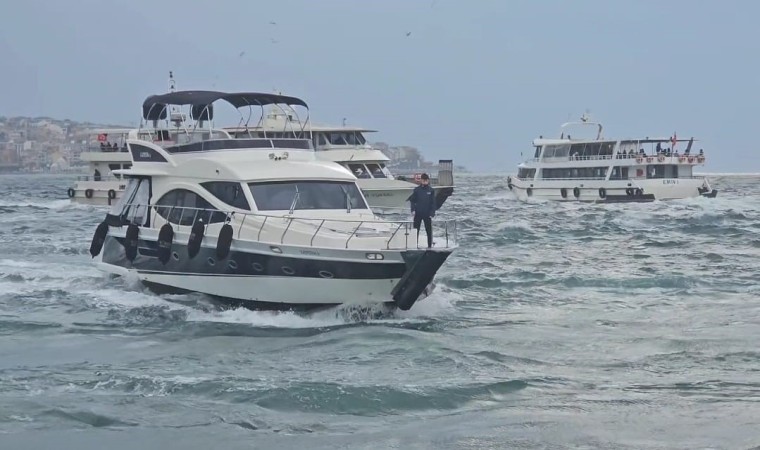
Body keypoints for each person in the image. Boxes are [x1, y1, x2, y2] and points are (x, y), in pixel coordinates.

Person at [409, 173, 436, 248]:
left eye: (426, 180)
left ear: (428, 180)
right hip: (418, 213)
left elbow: (433, 203)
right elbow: (412, 201)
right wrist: (413, 210)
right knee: (416, 230)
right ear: (421, 180)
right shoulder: (417, 190)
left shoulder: (431, 190)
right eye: (423, 180)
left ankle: (430, 246)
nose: (425, 182)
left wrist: (432, 213)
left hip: (427, 214)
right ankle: (414, 245)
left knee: (429, 231)